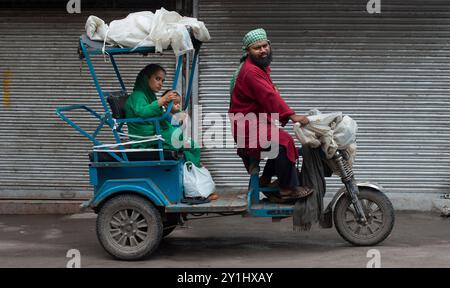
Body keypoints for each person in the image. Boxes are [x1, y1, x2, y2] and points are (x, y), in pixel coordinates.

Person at [228, 28, 314, 203]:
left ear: (269, 45)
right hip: (247, 126)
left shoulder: (260, 68)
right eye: (257, 48)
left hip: (255, 122)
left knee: (281, 142)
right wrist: (291, 115)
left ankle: (265, 180)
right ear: (248, 51)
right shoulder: (251, 71)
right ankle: (287, 189)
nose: (263, 50)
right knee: (284, 142)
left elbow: (269, 93)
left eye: (265, 45)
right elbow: (269, 96)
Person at [124, 64, 201, 167]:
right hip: (147, 140)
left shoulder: (149, 95)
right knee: (178, 137)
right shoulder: (137, 95)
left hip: (156, 135)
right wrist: (162, 100)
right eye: (157, 79)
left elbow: (161, 115)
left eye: (162, 81)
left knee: (192, 145)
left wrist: (176, 118)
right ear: (146, 78)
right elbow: (143, 112)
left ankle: (193, 166)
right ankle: (191, 165)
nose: (160, 83)